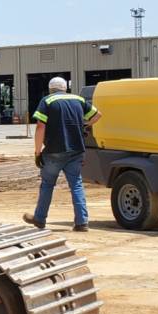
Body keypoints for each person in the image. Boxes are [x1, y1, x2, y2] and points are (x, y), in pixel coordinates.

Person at [23, 76, 101, 231]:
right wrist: (85, 126)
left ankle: (39, 219)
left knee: (47, 185)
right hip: (76, 151)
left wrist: (37, 152)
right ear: (65, 88)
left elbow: (40, 128)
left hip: (54, 152)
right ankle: (82, 222)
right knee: (76, 186)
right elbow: (98, 115)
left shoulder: (47, 101)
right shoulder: (78, 99)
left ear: (51, 89)